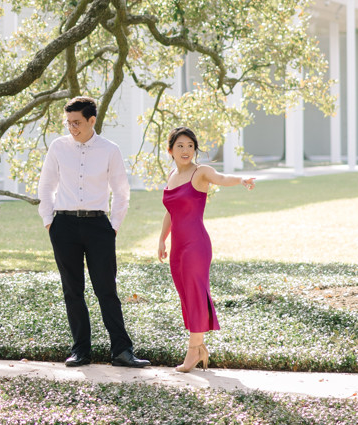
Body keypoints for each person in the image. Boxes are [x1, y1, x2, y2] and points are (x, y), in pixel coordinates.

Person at [37, 95, 150, 369]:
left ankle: (122, 351)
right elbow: (46, 185)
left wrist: (113, 227)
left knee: (106, 290)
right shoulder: (58, 147)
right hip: (63, 226)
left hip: (99, 227)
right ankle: (80, 351)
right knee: (72, 291)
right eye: (68, 123)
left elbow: (121, 192)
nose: (71, 128)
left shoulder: (110, 149)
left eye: (77, 122)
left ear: (91, 120)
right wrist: (49, 222)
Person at [157, 126, 255, 372]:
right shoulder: (171, 175)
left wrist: (241, 180)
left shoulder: (201, 172)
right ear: (170, 150)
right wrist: (162, 239)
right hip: (178, 247)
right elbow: (170, 212)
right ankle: (199, 348)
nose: (186, 150)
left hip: (196, 245)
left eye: (190, 145)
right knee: (185, 295)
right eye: (180, 145)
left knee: (196, 293)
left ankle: (193, 350)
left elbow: (221, 178)